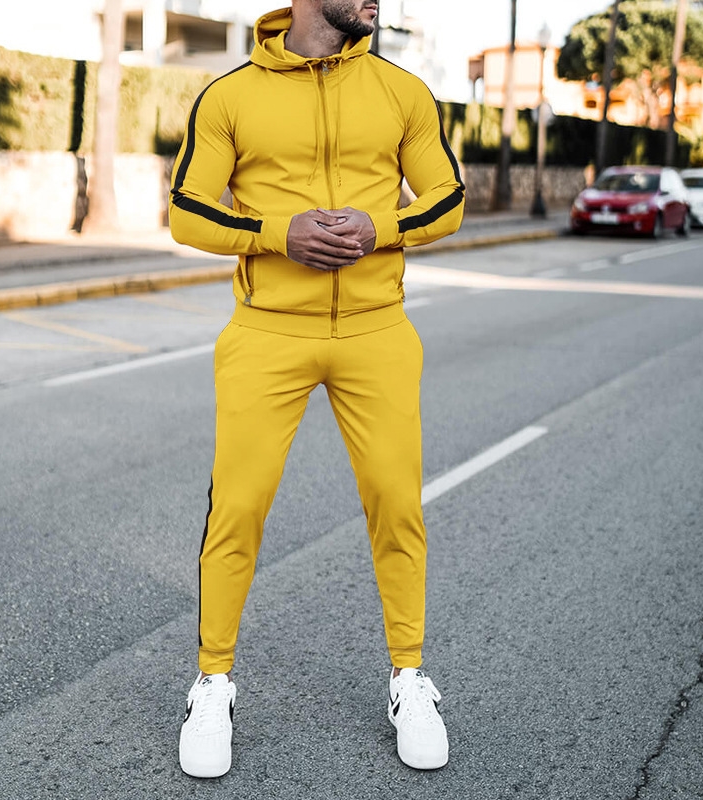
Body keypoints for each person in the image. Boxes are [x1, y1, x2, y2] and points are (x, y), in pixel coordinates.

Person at [169, 0, 466, 778]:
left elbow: (448, 198)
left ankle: (410, 678)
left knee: (397, 503)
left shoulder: (402, 92)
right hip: (266, 332)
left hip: (377, 331)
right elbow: (187, 212)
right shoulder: (231, 95)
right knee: (237, 508)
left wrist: (380, 227)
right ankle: (212, 684)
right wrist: (279, 233)